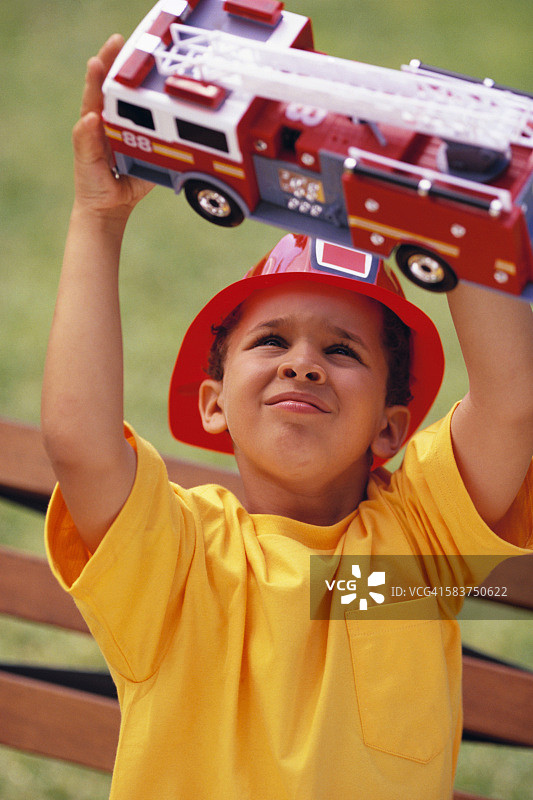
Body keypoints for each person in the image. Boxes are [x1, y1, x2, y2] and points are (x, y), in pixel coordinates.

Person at [42, 35, 533, 800]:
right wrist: (96, 219)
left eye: (342, 352)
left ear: (390, 428)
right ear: (213, 404)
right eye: (271, 341)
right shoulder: (176, 563)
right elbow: (81, 445)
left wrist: (445, 201)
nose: (301, 364)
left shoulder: (407, 563)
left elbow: (511, 406)